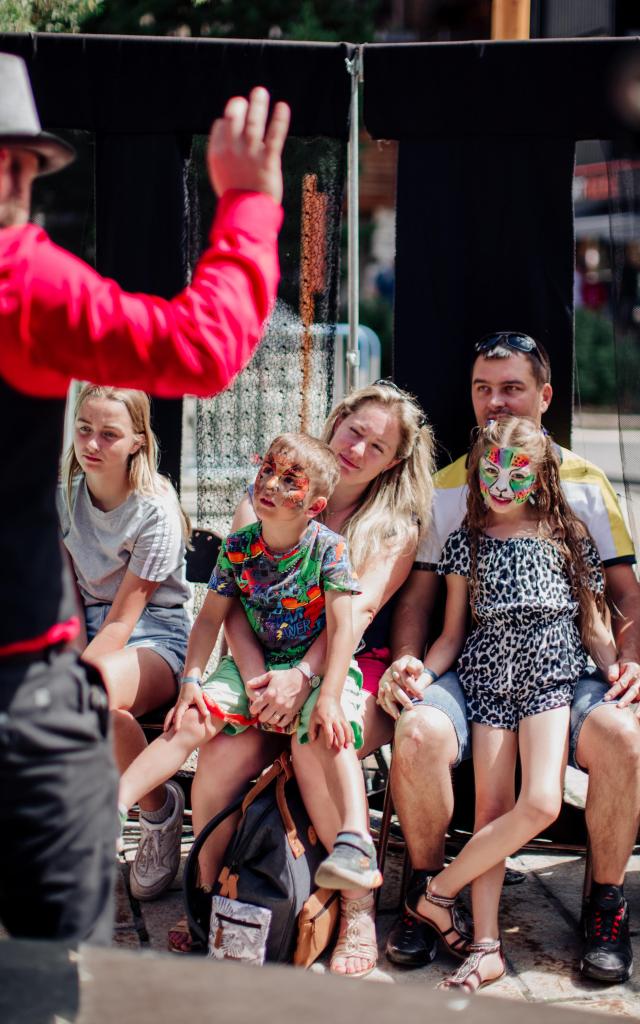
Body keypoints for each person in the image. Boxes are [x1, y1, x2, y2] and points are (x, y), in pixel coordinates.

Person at [0, 48, 289, 945]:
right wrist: (247, 205)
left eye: (20, 165)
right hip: (20, 672)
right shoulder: (20, 284)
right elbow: (202, 347)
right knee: (56, 944)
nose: (14, 180)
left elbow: (127, 616)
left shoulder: (152, 502)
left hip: (76, 655)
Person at [382, 332, 640, 984]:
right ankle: (430, 894)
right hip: (477, 669)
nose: (494, 402)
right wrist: (410, 662)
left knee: (619, 735)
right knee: (417, 732)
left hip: (564, 672)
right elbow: (421, 602)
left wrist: (626, 661)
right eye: (482, 389)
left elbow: (620, 597)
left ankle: (605, 901)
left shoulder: (583, 488)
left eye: (511, 388)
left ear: (545, 396)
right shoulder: (448, 490)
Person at [167, 380, 434, 977]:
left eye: (377, 445)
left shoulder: (393, 525)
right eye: (354, 430)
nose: (358, 448)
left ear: (393, 462)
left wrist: (303, 681)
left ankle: (357, 904)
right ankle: (210, 898)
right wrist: (264, 680)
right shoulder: (271, 488)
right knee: (216, 758)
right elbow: (229, 605)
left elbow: (356, 615)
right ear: (335, 421)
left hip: (347, 669)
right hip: (259, 669)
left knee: (318, 744)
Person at [119, 432, 387, 904]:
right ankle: (116, 804)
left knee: (330, 730)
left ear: (315, 504)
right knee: (192, 719)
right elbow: (209, 621)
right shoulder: (239, 547)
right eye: (267, 471)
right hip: (255, 666)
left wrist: (326, 696)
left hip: (319, 671)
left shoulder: (330, 550)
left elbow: (344, 629)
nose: (272, 485)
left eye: (290, 481)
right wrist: (191, 680)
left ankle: (355, 840)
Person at [58, 384, 193, 902]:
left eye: (109, 434)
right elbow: (65, 599)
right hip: (85, 633)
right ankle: (159, 810)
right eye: (84, 429)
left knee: (75, 698)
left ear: (137, 440)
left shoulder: (154, 509)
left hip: (152, 638)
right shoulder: (64, 495)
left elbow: (122, 620)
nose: (92, 444)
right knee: (98, 711)